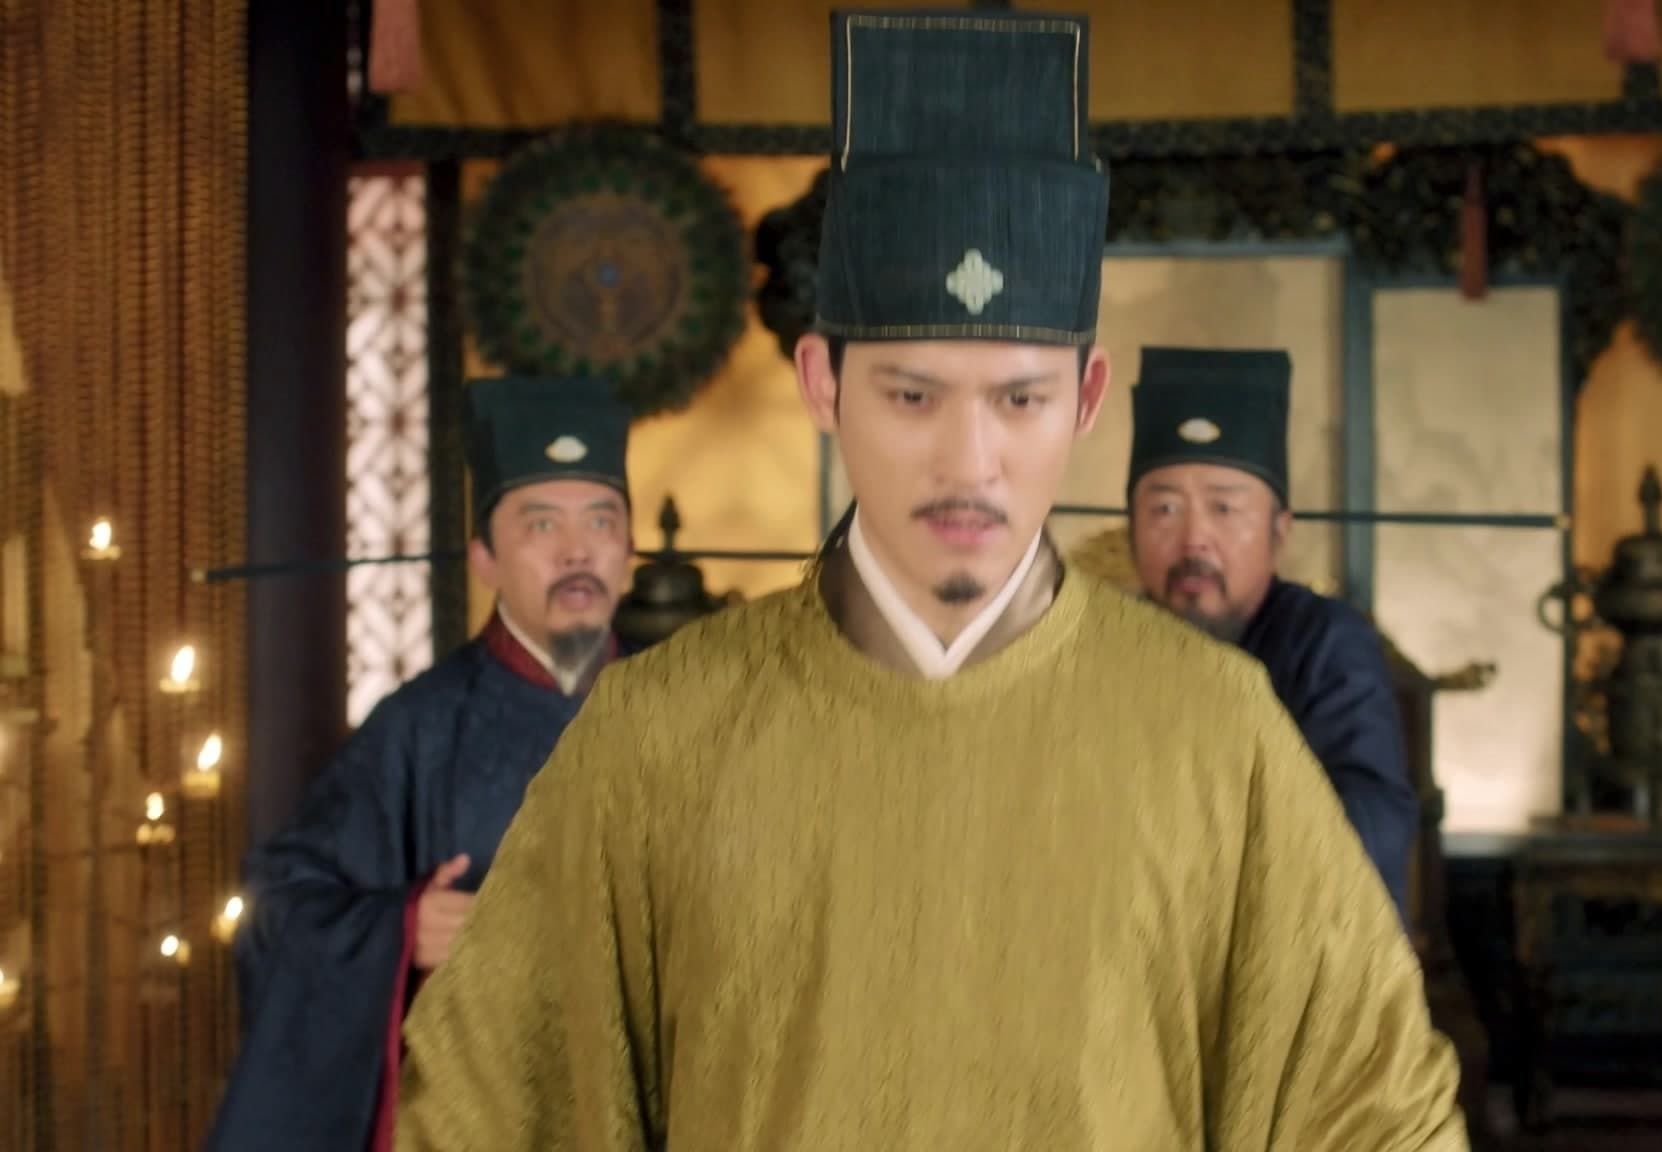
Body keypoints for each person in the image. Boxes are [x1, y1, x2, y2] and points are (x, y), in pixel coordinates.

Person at [396, 11, 1467, 1150]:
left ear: (1086, 398)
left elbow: (1372, 1112)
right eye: (912, 396)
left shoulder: (1218, 730)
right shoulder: (655, 733)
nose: (969, 463)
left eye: (1020, 399)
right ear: (822, 383)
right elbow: (489, 1101)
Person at [207, 376, 637, 1152]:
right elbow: (276, 910)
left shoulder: (689, 712)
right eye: (542, 523)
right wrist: (401, 930)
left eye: (601, 521)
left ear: (630, 552)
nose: (577, 551)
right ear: (484, 558)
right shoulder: (420, 728)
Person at [1126, 346, 1420, 917]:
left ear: (1279, 533)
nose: (1194, 539)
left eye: (1224, 509)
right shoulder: (1105, 646)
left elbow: (1371, 828)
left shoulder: (1325, 642)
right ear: (1131, 529)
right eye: (1165, 510)